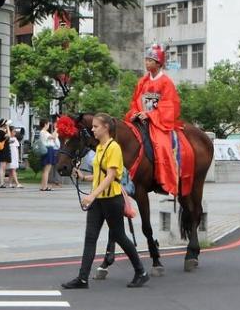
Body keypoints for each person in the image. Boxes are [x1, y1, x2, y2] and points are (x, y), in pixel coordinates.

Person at [62, 113, 149, 289]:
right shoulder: (100, 148)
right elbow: (101, 174)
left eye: (95, 126)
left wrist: (91, 195)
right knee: (90, 237)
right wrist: (85, 177)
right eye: (92, 127)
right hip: (98, 200)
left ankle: (141, 272)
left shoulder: (113, 148)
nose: (92, 129)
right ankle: (83, 278)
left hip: (112, 200)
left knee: (120, 237)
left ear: (106, 128)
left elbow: (111, 176)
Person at [126, 44, 182, 195]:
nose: (146, 63)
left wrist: (150, 115)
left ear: (158, 63)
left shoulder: (166, 82)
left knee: (162, 145)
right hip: (141, 119)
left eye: (150, 60)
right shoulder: (142, 82)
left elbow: (169, 105)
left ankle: (162, 180)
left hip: (157, 122)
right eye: (146, 60)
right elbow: (135, 101)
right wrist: (136, 112)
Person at [38, 119, 58, 191]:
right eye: (48, 124)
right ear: (45, 124)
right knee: (47, 170)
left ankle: (43, 186)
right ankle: (45, 186)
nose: (49, 125)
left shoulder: (44, 132)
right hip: (48, 149)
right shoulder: (43, 132)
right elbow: (53, 137)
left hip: (48, 150)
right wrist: (56, 130)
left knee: (45, 170)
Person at [0, 119, 12, 187]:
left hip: (5, 150)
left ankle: (2, 182)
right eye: (6, 124)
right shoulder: (0, 131)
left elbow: (7, 139)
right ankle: (1, 183)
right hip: (3, 151)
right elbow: (9, 135)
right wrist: (8, 127)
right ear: (4, 124)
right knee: (2, 167)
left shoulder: (3, 131)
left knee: (4, 167)